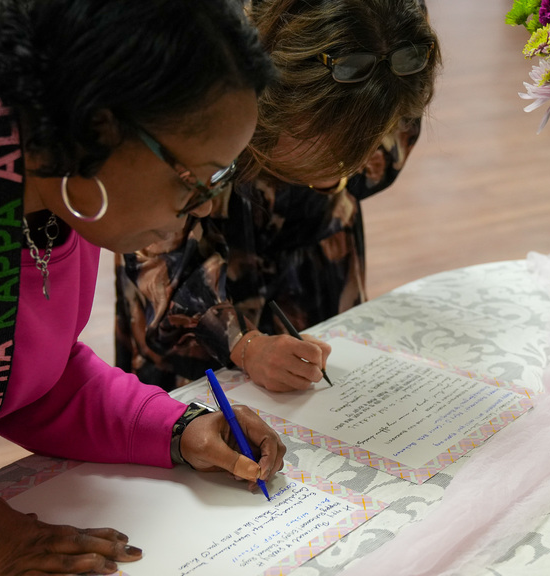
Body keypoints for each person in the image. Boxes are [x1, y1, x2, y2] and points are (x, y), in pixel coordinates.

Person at [0, 0, 285, 576]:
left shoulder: (54, 167)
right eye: (201, 179)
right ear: (102, 127)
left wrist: (172, 428)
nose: (209, 207)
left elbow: (23, 379)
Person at [115, 0, 440, 393]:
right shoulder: (197, 59)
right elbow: (154, 242)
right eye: (325, 147)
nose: (344, 166)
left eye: (359, 147)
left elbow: (394, 136)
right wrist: (244, 345)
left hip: (319, 255)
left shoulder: (393, 40)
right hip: (197, 274)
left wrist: (337, 175)